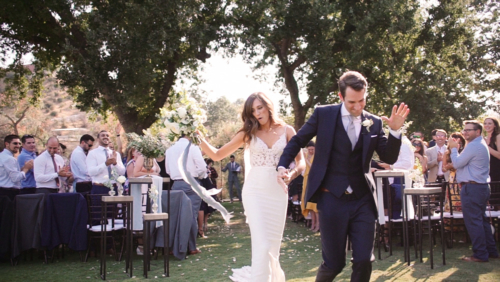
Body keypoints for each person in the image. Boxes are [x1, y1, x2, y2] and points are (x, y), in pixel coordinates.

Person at [277, 71, 408, 282]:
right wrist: (282, 165)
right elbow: (297, 140)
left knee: (364, 259)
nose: (358, 107)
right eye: (352, 102)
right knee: (334, 263)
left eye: (362, 100)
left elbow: (389, 156)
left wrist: (394, 131)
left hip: (363, 200)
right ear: (340, 97)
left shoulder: (374, 122)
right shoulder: (323, 114)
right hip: (331, 199)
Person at [197, 92, 304, 281]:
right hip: (254, 191)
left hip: (278, 192)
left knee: (272, 248)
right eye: (252, 111)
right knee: (262, 244)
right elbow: (217, 155)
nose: (257, 113)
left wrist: (291, 174)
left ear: (268, 106)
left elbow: (301, 162)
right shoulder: (248, 132)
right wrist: (198, 137)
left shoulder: (287, 130)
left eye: (260, 108)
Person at [448, 120, 499, 262]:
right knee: (481, 221)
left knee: (474, 222)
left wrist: (453, 149)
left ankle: (480, 254)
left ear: (478, 132)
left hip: (472, 187)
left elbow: (457, 163)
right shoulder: (479, 144)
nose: (465, 132)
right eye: (464, 130)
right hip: (479, 187)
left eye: (469, 130)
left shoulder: (474, 145)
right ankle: (491, 251)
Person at [165, 135, 207, 255]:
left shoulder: (170, 149)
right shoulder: (193, 147)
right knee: (192, 214)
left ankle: (174, 247)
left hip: (176, 184)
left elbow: (168, 170)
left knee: (176, 215)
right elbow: (203, 167)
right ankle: (191, 247)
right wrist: (199, 176)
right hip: (191, 183)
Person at [0, 135, 33, 200]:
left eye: (19, 143)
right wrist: (26, 169)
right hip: (8, 193)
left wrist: (23, 168)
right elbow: (16, 178)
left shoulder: (2, 156)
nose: (18, 146)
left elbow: (7, 173)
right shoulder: (9, 159)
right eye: (15, 143)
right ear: (7, 144)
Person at [301, 141, 319, 232]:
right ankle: (312, 224)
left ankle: (318, 226)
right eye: (309, 149)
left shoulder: (317, 156)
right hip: (306, 179)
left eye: (312, 149)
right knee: (308, 204)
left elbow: (313, 167)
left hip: (314, 180)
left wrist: (306, 159)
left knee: (314, 205)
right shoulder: (305, 154)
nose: (311, 151)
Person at [483, 117, 500, 182]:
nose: (487, 125)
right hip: (486, 172)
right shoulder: (484, 139)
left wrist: (486, 146)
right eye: (485, 123)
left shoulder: (498, 137)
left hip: (496, 170)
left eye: (489, 123)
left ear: (495, 125)